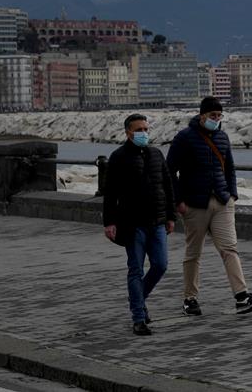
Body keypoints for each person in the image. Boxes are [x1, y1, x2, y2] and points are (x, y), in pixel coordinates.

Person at [168, 96, 252, 316]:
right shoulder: (184, 138)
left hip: (222, 201)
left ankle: (242, 296)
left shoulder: (222, 137)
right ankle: (189, 298)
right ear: (202, 115)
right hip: (195, 203)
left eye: (220, 116)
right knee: (194, 252)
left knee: (229, 248)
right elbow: (169, 170)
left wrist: (232, 195)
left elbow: (229, 168)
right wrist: (178, 201)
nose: (217, 119)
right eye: (213, 115)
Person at [103, 113, 176, 336]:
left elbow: (167, 185)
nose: (144, 133)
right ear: (128, 133)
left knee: (160, 265)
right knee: (135, 269)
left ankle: (137, 298)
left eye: (146, 129)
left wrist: (171, 216)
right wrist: (110, 222)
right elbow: (110, 193)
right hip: (132, 224)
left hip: (157, 222)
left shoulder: (156, 154)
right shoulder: (118, 157)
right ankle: (138, 317)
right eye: (139, 130)